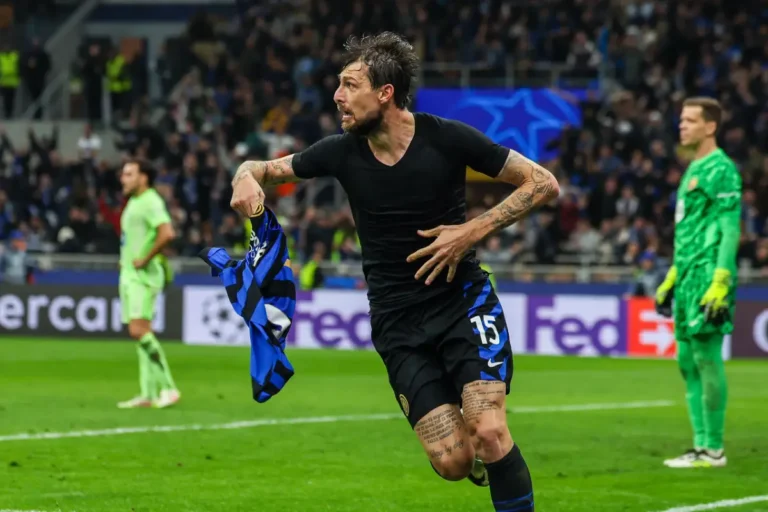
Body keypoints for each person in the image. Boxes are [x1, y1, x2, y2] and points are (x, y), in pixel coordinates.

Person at [231, 32, 559, 511]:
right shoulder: (340, 152)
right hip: (397, 323)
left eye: (350, 84)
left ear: (385, 93)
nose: (338, 96)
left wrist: (471, 232)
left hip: (461, 302)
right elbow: (261, 168)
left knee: (489, 428)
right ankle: (477, 453)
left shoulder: (446, 137)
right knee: (453, 463)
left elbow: (542, 182)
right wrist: (244, 175)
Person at [655, 97, 741, 468]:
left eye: (690, 120)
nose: (682, 126)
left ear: (710, 126)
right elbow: (687, 230)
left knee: (706, 357)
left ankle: (714, 450)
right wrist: (673, 275)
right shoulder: (693, 168)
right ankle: (700, 445)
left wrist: (721, 279)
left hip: (708, 275)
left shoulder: (722, 169)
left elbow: (730, 226)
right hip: (688, 277)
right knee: (687, 362)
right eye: (681, 120)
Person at [117, 160, 180, 409]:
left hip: (143, 277)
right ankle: (147, 392)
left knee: (139, 330)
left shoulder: (151, 201)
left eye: (129, 174)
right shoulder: (134, 202)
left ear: (143, 177)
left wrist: (145, 258)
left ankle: (169, 388)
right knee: (141, 334)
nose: (123, 178)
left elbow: (167, 233)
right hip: (130, 274)